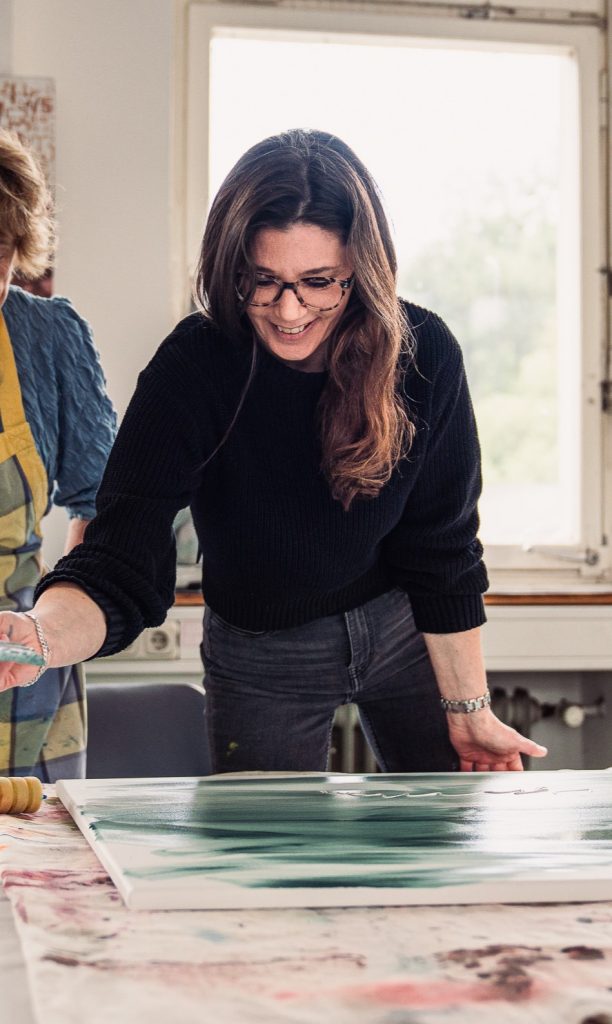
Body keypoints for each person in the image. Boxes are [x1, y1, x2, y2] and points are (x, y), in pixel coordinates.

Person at [0, 128, 546, 774]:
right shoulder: (194, 367)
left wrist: (470, 711)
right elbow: (120, 558)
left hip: (405, 635)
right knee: (264, 857)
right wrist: (38, 631)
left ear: (362, 272)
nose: (289, 311)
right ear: (231, 269)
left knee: (447, 837)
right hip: (261, 651)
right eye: (263, 281)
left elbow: (443, 547)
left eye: (318, 282)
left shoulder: (423, 354)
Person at [0, 129, 116, 780]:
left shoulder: (46, 335)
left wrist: (57, 615)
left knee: (45, 875)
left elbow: (106, 502)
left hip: (24, 667)